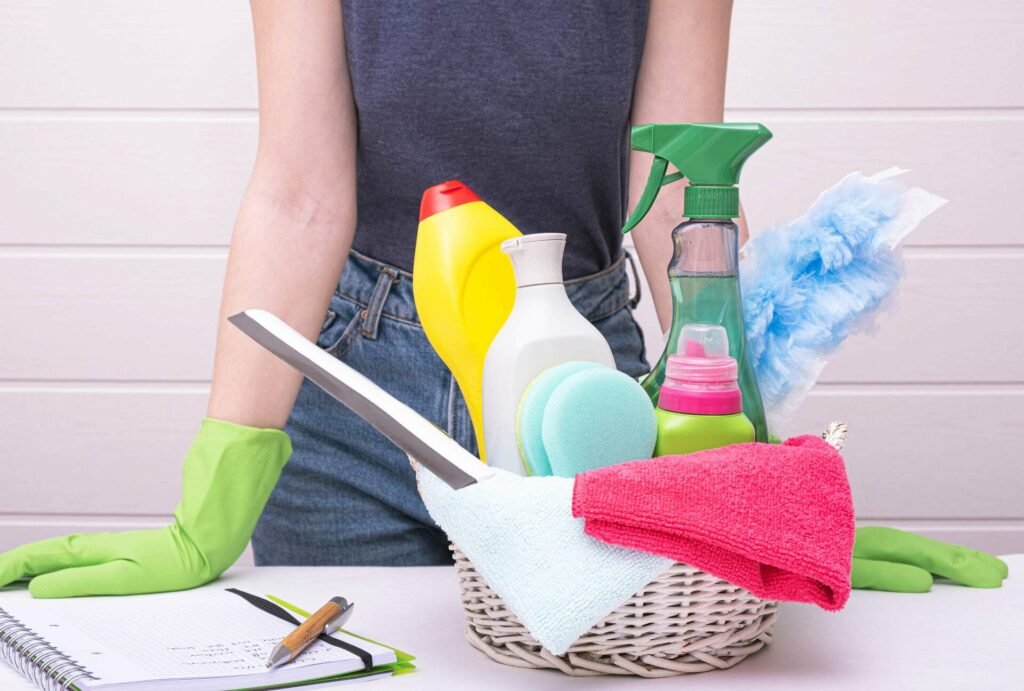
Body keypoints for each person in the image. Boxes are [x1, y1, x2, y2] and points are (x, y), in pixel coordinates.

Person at [0, 0, 743, 597]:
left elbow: (685, 188)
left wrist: (755, 454)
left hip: (577, 402)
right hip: (356, 398)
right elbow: (301, 196)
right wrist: (215, 494)